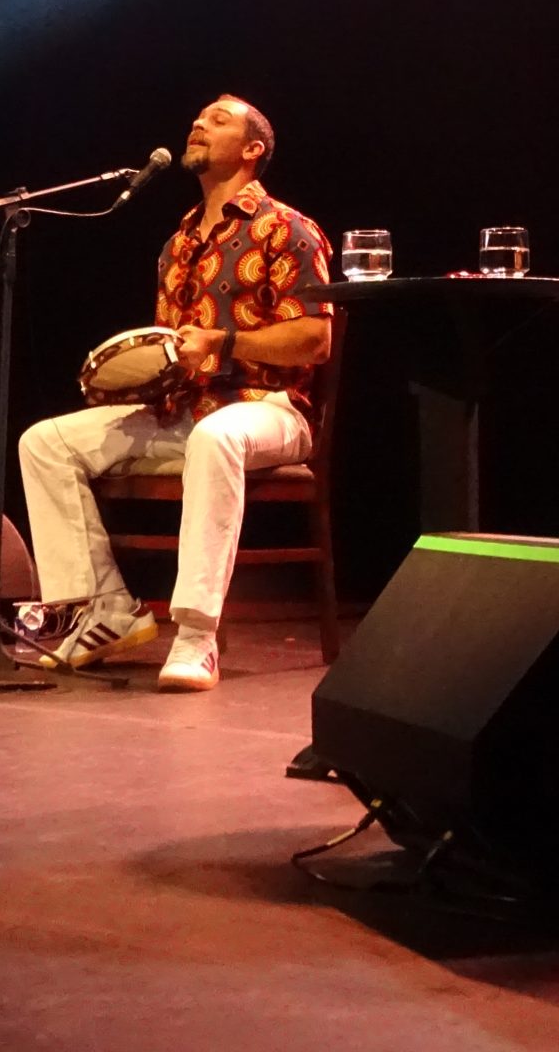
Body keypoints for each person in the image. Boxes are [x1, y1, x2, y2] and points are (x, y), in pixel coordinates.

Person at [17, 96, 334, 692]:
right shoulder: (178, 243)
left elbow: (314, 340)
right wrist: (133, 378)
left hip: (271, 410)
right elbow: (174, 350)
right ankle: (105, 608)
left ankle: (195, 636)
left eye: (218, 121)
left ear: (251, 150)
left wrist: (221, 341)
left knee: (216, 436)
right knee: (46, 441)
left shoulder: (287, 228)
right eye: (197, 118)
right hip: (184, 410)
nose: (198, 124)